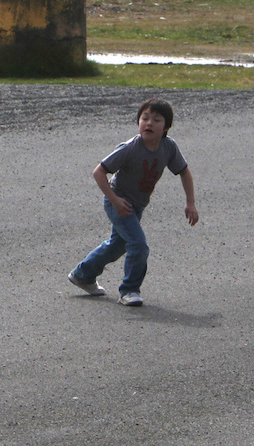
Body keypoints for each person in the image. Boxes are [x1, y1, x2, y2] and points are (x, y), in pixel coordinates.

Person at [67, 99, 199, 307]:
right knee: (138, 245)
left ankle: (83, 274)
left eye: (156, 120)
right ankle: (129, 290)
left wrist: (190, 203)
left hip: (137, 205)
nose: (149, 123)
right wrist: (115, 200)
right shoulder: (129, 148)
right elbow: (99, 172)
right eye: (144, 118)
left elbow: (184, 171)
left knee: (117, 246)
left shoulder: (168, 147)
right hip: (118, 201)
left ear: (166, 127)